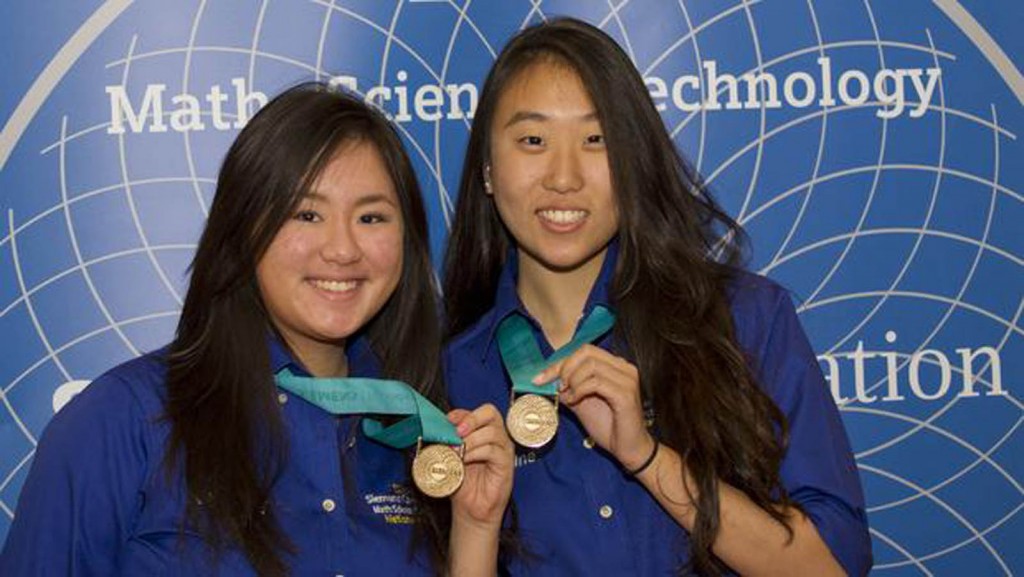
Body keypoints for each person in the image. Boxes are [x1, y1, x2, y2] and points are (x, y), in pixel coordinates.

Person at [1, 83, 513, 576]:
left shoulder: (426, 434)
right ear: (243, 230)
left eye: (372, 217)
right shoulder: (123, 420)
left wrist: (473, 530)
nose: (342, 249)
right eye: (306, 214)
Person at [443, 18, 871, 576]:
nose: (565, 177)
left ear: (634, 161)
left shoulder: (743, 320)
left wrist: (646, 456)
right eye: (533, 140)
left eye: (596, 140)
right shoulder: (452, 371)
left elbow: (833, 566)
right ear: (487, 171)